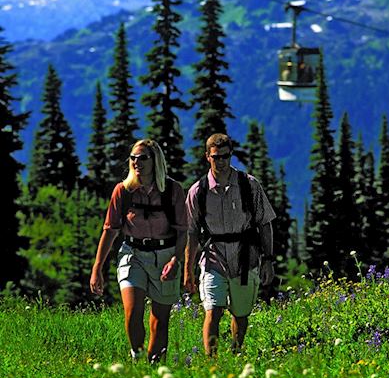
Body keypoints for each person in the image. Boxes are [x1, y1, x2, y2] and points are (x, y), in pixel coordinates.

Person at [90, 139, 187, 363]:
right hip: (132, 254)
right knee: (133, 313)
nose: (136, 162)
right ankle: (137, 355)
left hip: (165, 256)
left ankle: (154, 365)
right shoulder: (123, 191)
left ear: (155, 161)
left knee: (160, 320)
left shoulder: (172, 190)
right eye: (133, 157)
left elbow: (183, 231)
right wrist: (97, 268)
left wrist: (176, 260)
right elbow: (110, 230)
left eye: (143, 158)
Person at [184, 133, 276, 356]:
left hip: (245, 255)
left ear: (231, 155)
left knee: (241, 312)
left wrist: (268, 260)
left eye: (225, 156)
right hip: (214, 255)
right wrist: (188, 270)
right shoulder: (198, 191)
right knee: (212, 310)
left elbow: (265, 224)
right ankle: (212, 361)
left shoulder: (249, 185)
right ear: (208, 157)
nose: (221, 161)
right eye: (216, 157)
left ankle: (236, 352)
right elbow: (191, 232)